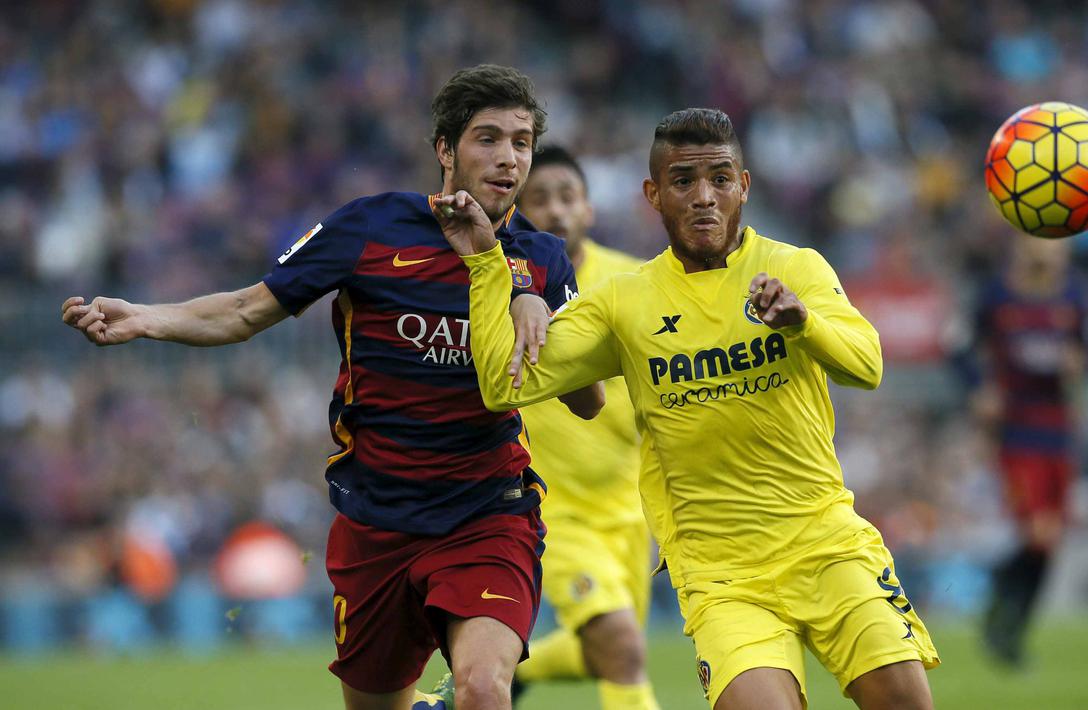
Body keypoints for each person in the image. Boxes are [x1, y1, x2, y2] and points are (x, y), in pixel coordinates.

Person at [61, 64, 603, 710]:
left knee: (484, 690)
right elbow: (246, 311)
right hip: (377, 521)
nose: (508, 157)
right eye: (487, 138)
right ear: (445, 150)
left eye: (521, 142)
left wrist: (540, 317)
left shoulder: (542, 259)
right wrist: (147, 318)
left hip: (488, 514)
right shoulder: (370, 228)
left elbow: (588, 401)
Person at [431, 108, 939, 710]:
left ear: (743, 186)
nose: (703, 197)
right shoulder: (625, 302)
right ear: (654, 194)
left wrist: (803, 323)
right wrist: (493, 270)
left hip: (826, 543)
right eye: (683, 181)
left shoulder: (794, 267)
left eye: (719, 179)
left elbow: (867, 365)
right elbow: (502, 385)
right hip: (720, 576)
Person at [511, 146, 660, 709]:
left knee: (610, 652)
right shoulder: (507, 291)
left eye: (567, 197)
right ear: (518, 214)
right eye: (539, 199)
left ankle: (506, 675)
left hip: (629, 507)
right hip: (554, 511)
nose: (556, 211)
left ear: (589, 209)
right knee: (620, 646)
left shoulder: (632, 281)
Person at [957, 236, 1088, 667]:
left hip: (1059, 428)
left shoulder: (1075, 296)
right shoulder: (996, 295)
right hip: (1017, 431)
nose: (1048, 251)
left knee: (1050, 541)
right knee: (1038, 533)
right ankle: (1002, 598)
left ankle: (1010, 628)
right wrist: (979, 388)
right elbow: (959, 348)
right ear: (1020, 243)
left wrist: (1082, 361)